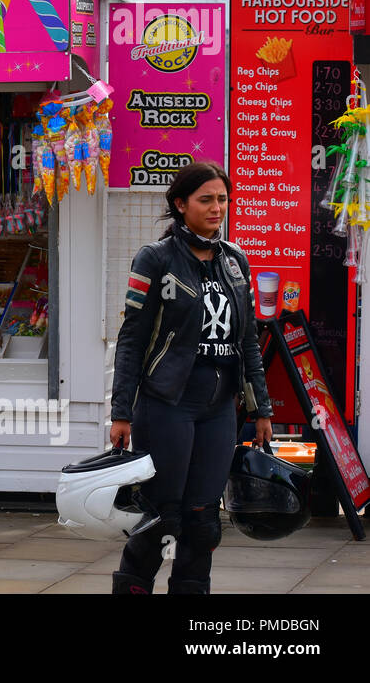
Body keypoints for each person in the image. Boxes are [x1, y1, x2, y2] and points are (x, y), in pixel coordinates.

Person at [109, 161, 273, 594]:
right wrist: (121, 411)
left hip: (219, 408)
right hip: (166, 404)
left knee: (204, 522)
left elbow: (249, 342)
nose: (217, 207)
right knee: (164, 514)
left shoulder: (236, 261)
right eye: (206, 199)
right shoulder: (155, 258)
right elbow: (131, 339)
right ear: (181, 204)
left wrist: (260, 409)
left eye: (222, 198)